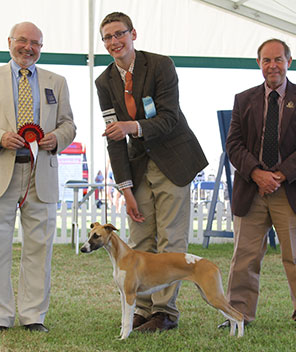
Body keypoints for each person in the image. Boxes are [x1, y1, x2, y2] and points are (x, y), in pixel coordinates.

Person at [95, 12, 208, 332]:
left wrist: (132, 126)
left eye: (120, 34)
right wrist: (125, 188)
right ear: (103, 43)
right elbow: (114, 138)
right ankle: (142, 308)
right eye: (108, 37)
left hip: (174, 160)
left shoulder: (160, 66)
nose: (115, 42)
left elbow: (170, 117)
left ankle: (165, 312)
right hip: (137, 166)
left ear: (133, 34)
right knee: (140, 239)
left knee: (171, 240)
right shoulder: (104, 82)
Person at [218, 38, 296, 331]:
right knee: (244, 257)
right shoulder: (244, 99)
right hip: (251, 189)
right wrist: (257, 173)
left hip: (289, 189)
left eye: (278, 59)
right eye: (266, 60)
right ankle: (238, 314)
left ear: (289, 62)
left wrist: (279, 175)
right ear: (258, 64)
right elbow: (234, 144)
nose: (272, 66)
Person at [0, 22, 76, 332]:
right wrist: (1, 137)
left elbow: (69, 125)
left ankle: (33, 316)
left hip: (40, 173)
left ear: (41, 48)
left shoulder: (56, 81)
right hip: (3, 171)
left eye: (36, 43)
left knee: (39, 249)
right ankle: (1, 317)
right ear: (9, 42)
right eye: (23, 40)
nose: (28, 47)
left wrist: (57, 138)